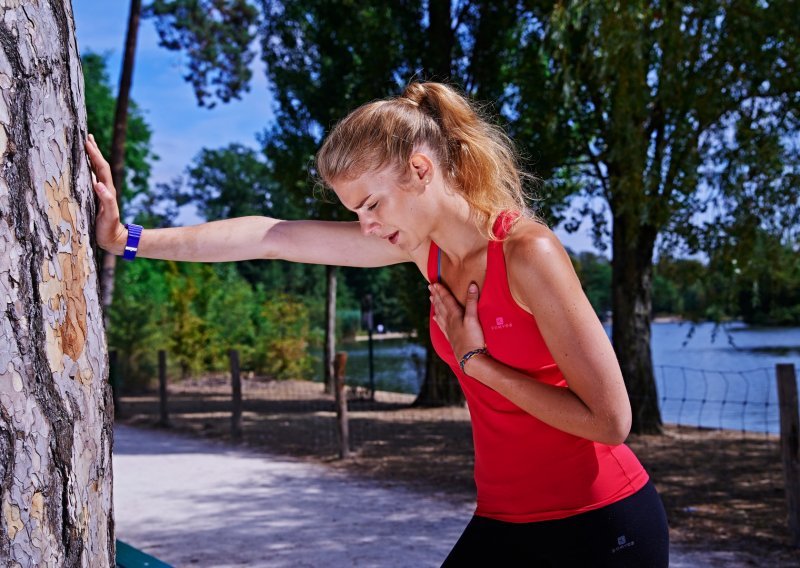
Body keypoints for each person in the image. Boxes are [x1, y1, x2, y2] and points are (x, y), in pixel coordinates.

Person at [85, 81, 669, 567]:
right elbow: (274, 235)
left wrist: (478, 364)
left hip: (604, 525)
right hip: (505, 518)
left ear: (420, 169)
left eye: (371, 204)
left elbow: (612, 421)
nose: (365, 226)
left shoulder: (527, 252)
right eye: (354, 213)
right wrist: (126, 239)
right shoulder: (424, 252)